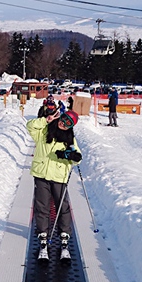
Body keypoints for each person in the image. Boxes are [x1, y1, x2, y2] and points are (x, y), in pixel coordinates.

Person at [26, 109, 82, 260]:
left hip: (59, 176)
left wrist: (72, 156)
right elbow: (30, 126)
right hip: (41, 175)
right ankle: (43, 238)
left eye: (68, 124)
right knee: (42, 206)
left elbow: (77, 157)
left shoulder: (69, 139)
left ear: (71, 127)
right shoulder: (44, 131)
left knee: (62, 207)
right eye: (63, 120)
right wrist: (46, 120)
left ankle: (64, 238)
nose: (63, 124)